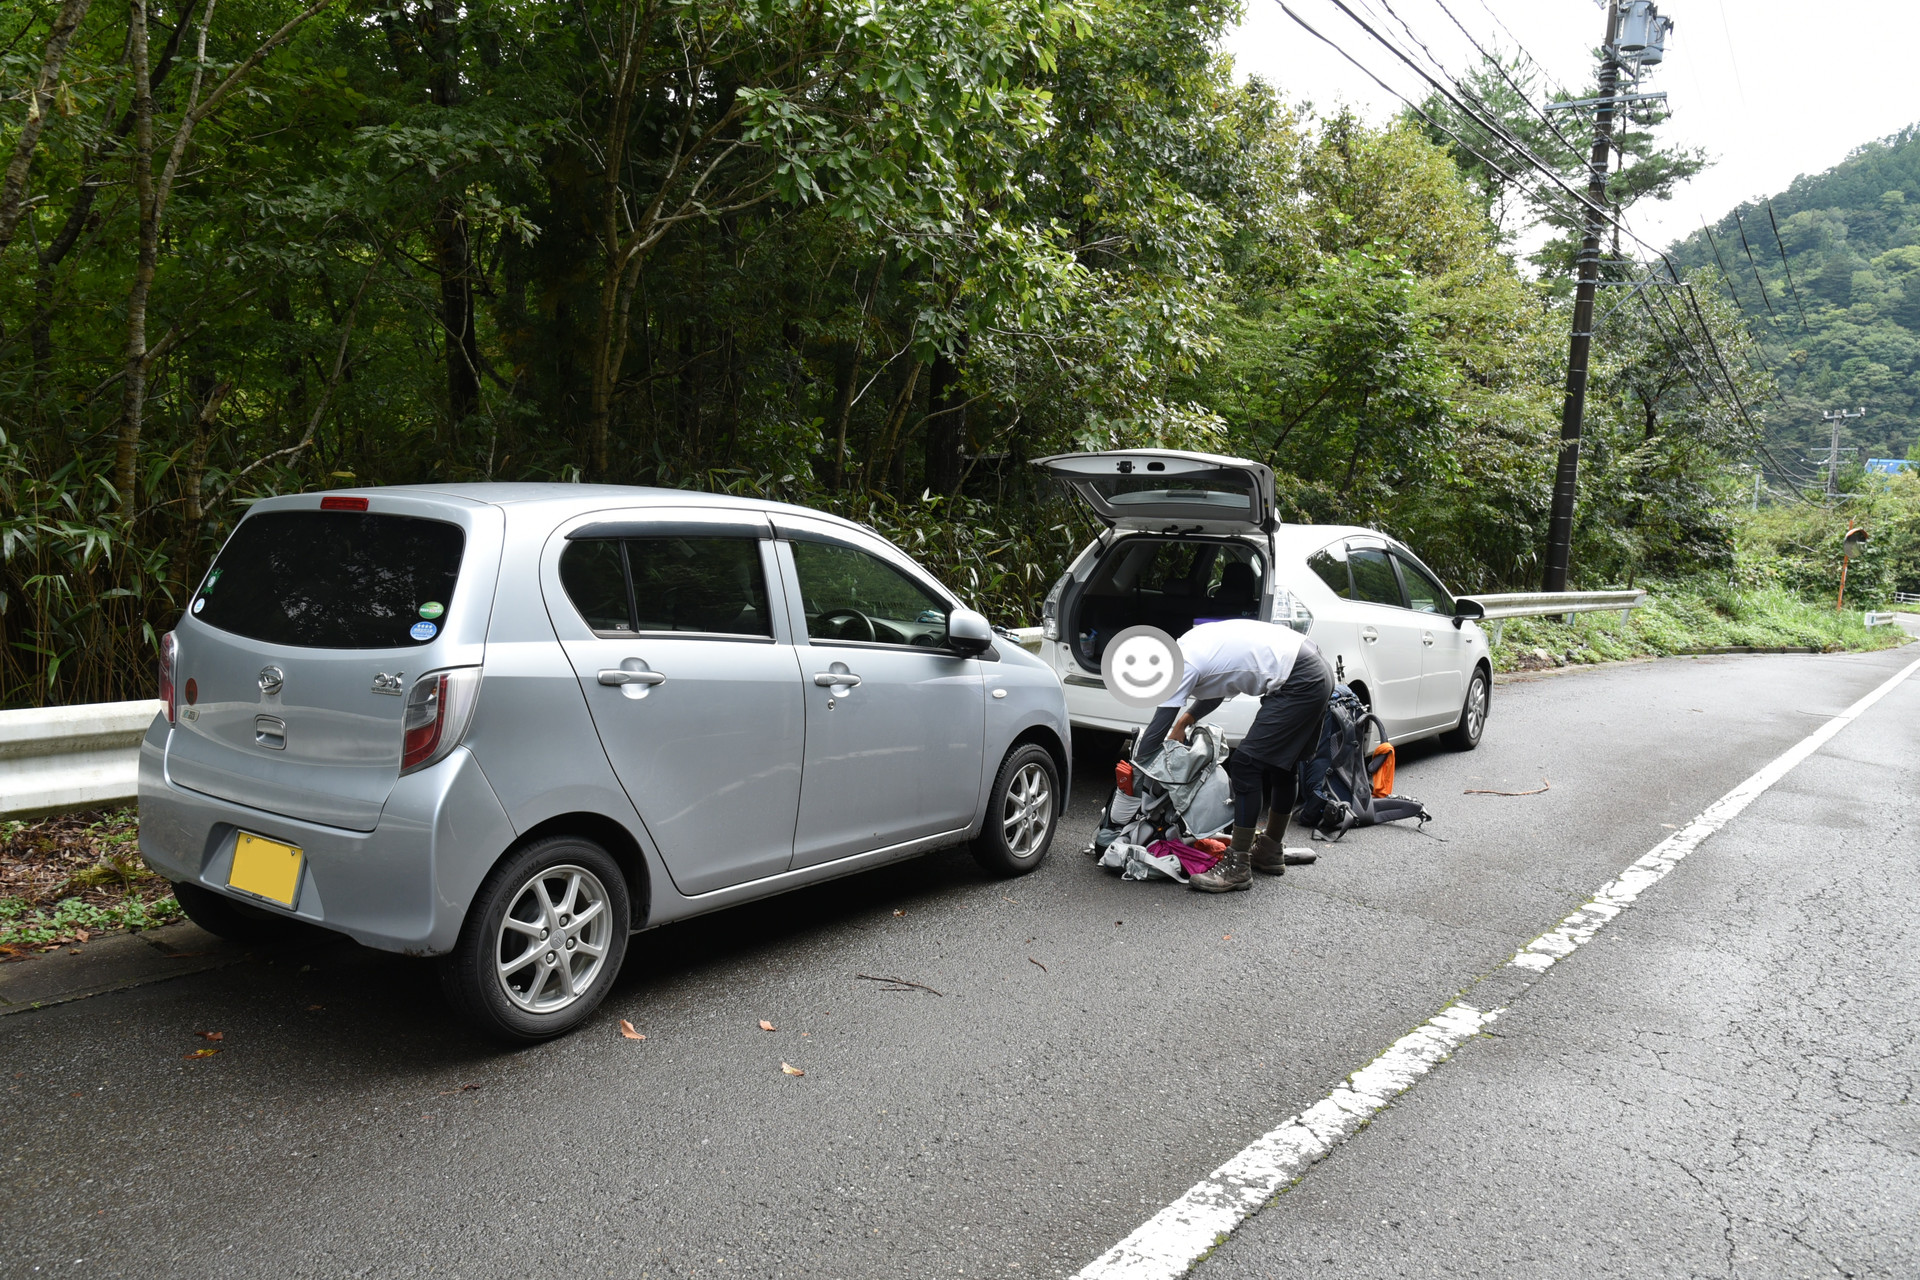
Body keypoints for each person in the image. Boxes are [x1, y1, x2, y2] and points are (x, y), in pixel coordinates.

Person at [1140, 618, 1335, 893]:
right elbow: (1219, 688)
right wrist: (1184, 723)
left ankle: (1237, 866)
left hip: (1299, 678)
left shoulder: (1180, 667)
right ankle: (1270, 850)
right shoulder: (1189, 644)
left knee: (1245, 764)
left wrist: (1139, 768)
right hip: (1313, 668)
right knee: (1283, 767)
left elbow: (1156, 731)